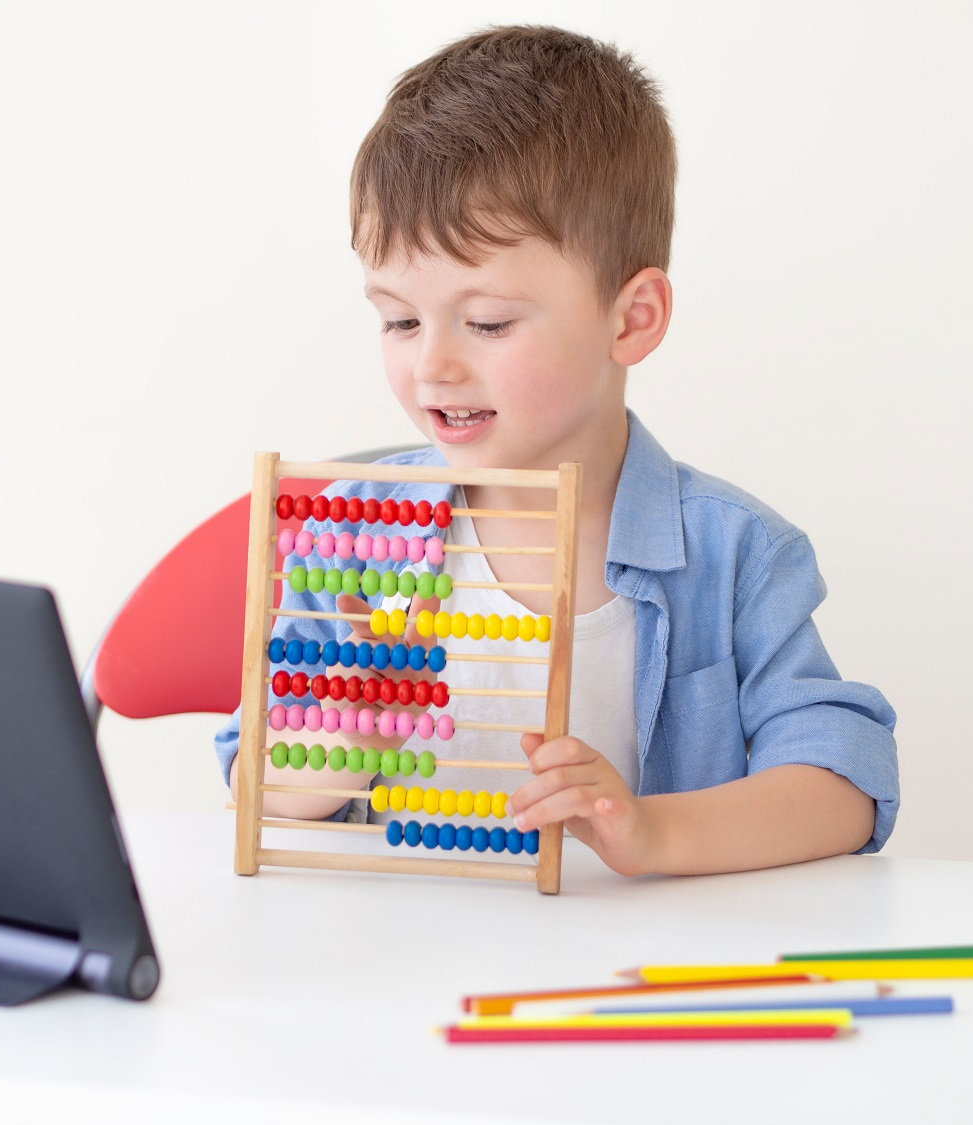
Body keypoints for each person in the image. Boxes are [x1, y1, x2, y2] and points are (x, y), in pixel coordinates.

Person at [214, 24, 898, 876]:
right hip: (392, 964)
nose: (433, 364)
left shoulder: (735, 555)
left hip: (634, 975)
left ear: (631, 317)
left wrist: (651, 832)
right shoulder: (354, 537)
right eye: (398, 319)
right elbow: (254, 776)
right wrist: (348, 732)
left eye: (489, 321)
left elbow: (846, 780)